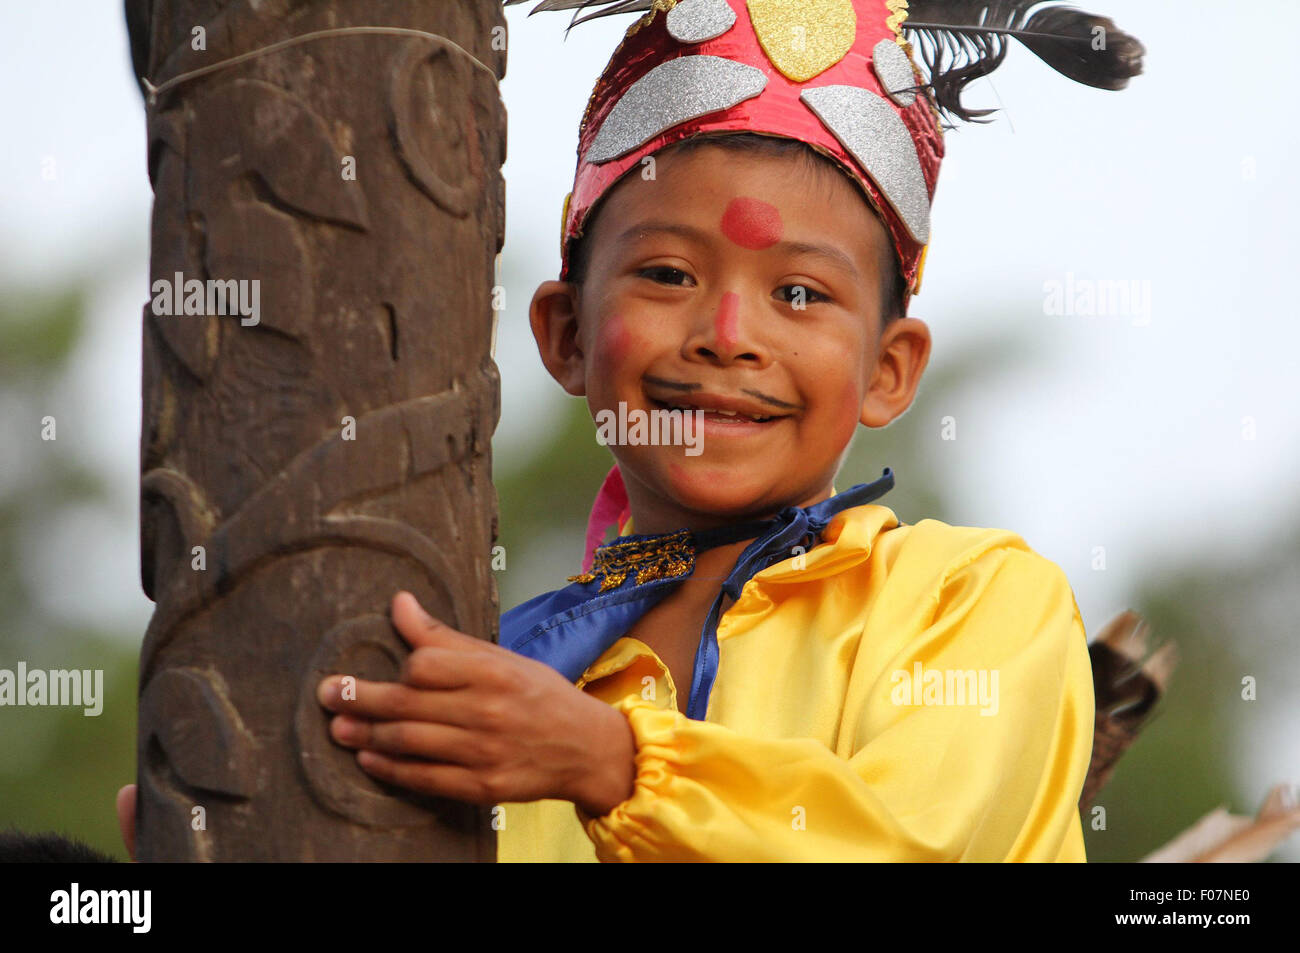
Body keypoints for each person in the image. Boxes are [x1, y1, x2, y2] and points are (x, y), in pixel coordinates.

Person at [118, 0, 1146, 862]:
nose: (729, 334)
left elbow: (917, 843)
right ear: (565, 335)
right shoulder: (488, 677)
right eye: (667, 274)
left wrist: (613, 764)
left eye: (798, 292)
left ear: (889, 370)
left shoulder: (974, 602)